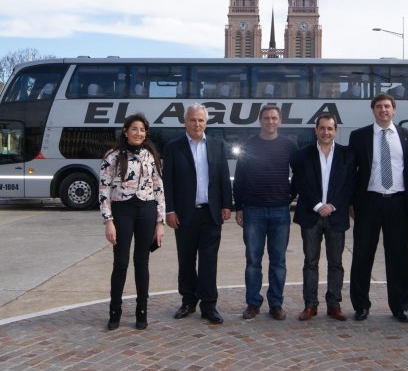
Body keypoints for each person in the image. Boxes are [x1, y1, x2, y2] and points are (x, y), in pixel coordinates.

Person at [348, 93, 408, 323]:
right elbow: (351, 174)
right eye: (379, 106)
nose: (383, 110)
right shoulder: (359, 137)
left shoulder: (406, 137)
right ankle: (361, 305)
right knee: (362, 255)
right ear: (373, 110)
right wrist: (350, 203)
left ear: (394, 110)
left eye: (387, 106)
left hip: (397, 202)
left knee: (398, 256)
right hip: (369, 202)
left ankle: (399, 306)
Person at [163, 104, 232, 324]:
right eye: (193, 120)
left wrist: (226, 204)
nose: (197, 124)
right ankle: (188, 301)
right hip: (184, 214)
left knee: (209, 261)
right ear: (185, 122)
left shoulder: (216, 145)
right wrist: (170, 209)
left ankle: (209, 305)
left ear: (206, 122)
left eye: (201, 120)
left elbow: (223, 176)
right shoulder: (174, 148)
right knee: (186, 260)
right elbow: (168, 182)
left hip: (211, 214)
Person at [99, 113, 165, 331]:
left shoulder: (150, 155)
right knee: (120, 263)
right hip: (122, 210)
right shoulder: (113, 156)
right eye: (135, 129)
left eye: (143, 130)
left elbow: (158, 189)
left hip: (146, 210)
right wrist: (108, 220)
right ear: (125, 131)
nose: (139, 133)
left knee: (142, 262)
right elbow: (104, 190)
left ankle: (141, 311)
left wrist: (160, 222)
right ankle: (115, 311)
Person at [233, 104, 298, 321]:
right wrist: (239, 207)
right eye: (266, 118)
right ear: (260, 120)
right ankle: (253, 303)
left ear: (279, 121)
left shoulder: (289, 145)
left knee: (278, 261)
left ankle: (276, 304)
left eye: (274, 118)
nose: (270, 121)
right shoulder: (249, 144)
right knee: (253, 261)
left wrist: (289, 196)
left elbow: (299, 174)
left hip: (280, 211)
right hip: (253, 211)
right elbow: (240, 177)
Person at [290, 114, 356, 321]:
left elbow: (350, 185)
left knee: (336, 263)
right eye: (322, 128)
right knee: (311, 262)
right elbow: (300, 183)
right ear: (315, 130)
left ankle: (334, 305)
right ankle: (310, 305)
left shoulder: (348, 154)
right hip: (311, 215)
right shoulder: (302, 155)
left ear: (336, 131)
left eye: (330, 128)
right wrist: (318, 205)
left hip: (336, 216)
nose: (326, 132)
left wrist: (332, 205)